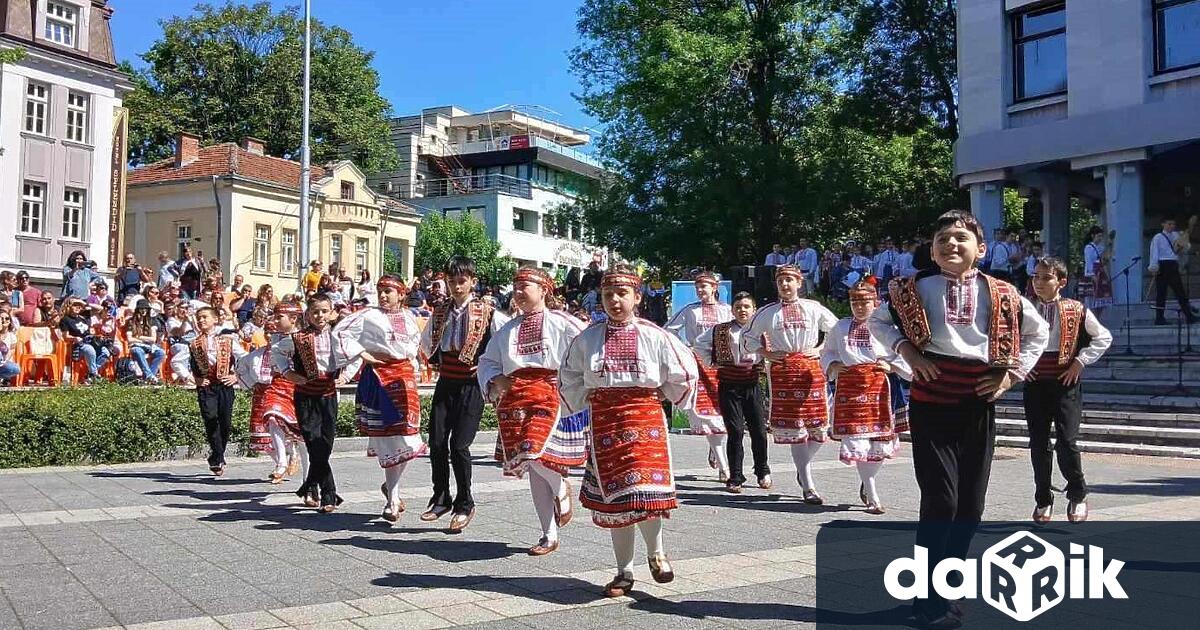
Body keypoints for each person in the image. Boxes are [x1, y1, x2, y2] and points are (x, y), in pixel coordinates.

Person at [869, 210, 1048, 628]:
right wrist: (907, 352)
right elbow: (877, 323)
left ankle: (945, 589)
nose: (952, 244)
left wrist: (1011, 374)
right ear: (932, 249)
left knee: (970, 505)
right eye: (943, 238)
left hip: (977, 405)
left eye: (962, 238)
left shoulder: (1003, 293)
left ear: (981, 250)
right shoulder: (913, 288)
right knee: (941, 501)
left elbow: (1038, 333)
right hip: (931, 405)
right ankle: (927, 602)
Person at [559, 265, 698, 598]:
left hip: (645, 418)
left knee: (648, 495)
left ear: (637, 297)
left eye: (622, 293)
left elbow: (684, 373)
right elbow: (568, 377)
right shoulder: (588, 338)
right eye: (608, 294)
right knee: (616, 501)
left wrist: (661, 393)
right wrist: (585, 397)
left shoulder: (655, 335)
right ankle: (624, 572)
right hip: (605, 420)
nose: (615, 300)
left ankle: (657, 554)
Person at [478, 267, 587, 555]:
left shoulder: (563, 322)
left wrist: (578, 385)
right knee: (534, 470)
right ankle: (548, 535)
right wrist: (494, 379)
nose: (518, 291)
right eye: (515, 287)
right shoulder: (507, 330)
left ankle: (561, 486)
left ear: (543, 290)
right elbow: (488, 360)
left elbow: (587, 349)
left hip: (549, 393)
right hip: (514, 398)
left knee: (532, 450)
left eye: (525, 285)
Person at [418, 255, 510, 532]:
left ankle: (465, 503)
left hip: (471, 384)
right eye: (452, 281)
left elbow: (505, 341)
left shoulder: (487, 311)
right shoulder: (440, 311)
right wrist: (432, 357)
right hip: (446, 381)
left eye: (461, 282)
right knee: (436, 441)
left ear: (472, 282)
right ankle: (440, 497)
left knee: (459, 445)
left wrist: (489, 368)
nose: (456, 287)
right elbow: (426, 343)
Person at [1026, 257, 1112, 524]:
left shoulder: (1076, 309)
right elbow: (1009, 340)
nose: (1039, 282)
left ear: (1061, 282)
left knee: (1067, 441)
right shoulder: (1024, 309)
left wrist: (1079, 361)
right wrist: (1020, 364)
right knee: (1039, 443)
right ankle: (1043, 497)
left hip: (1065, 384)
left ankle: (1077, 492)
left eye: (1046, 277)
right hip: (1036, 383)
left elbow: (1103, 337)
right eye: (1036, 276)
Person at [742, 265, 838, 504]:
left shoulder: (813, 308)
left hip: (811, 369)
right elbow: (747, 338)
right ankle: (808, 484)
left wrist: (820, 349)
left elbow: (837, 330)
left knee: (818, 428)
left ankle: (801, 468)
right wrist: (766, 352)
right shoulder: (767, 312)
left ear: (799, 283)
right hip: (783, 371)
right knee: (797, 430)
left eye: (789, 280)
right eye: (781, 280)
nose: (785, 284)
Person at [821, 276, 911, 514]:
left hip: (881, 387)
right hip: (851, 388)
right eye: (855, 302)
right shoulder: (840, 327)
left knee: (879, 441)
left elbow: (906, 349)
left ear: (876, 302)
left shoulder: (887, 327)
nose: (859, 307)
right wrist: (832, 365)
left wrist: (892, 365)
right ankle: (872, 493)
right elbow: (828, 351)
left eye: (865, 302)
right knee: (858, 440)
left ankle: (867, 479)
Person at [340, 275, 427, 523]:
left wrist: (416, 373)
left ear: (401, 294)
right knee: (390, 439)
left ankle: (392, 489)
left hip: (404, 379)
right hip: (379, 377)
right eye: (381, 290)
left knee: (410, 440)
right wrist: (363, 355)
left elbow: (414, 351)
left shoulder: (411, 319)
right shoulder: (368, 315)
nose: (383, 295)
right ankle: (392, 499)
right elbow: (341, 334)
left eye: (389, 291)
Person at [274, 295, 360, 512]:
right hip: (305, 395)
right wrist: (289, 373)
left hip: (328, 394)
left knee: (325, 444)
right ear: (307, 314)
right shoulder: (299, 338)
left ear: (332, 313)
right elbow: (277, 351)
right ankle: (329, 494)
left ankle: (311, 485)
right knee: (313, 441)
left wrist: (347, 376)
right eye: (315, 312)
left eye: (324, 311)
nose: (319, 315)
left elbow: (357, 355)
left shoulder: (338, 335)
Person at [693, 291, 770, 493]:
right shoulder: (721, 330)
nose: (742, 310)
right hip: (728, 384)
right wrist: (711, 361)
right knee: (735, 431)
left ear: (754, 310)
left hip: (752, 383)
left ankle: (762, 470)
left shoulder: (762, 330)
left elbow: (775, 349)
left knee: (759, 431)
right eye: (738, 307)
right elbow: (699, 344)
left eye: (746, 307)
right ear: (733, 310)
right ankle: (735, 476)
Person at [665, 271, 732, 481]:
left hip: (723, 364)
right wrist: (684, 348)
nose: (701, 291)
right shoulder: (690, 311)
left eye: (704, 286)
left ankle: (716, 449)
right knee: (706, 413)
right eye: (698, 287)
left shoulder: (727, 311)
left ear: (715, 288)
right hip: (700, 366)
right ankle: (724, 467)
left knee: (726, 414)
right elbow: (669, 330)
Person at [237, 304, 305, 485]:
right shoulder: (262, 351)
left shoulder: (301, 337)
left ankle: (306, 476)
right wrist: (249, 382)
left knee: (297, 431)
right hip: (272, 388)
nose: (268, 334)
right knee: (271, 420)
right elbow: (242, 365)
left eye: (277, 320)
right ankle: (281, 462)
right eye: (266, 330)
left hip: (297, 386)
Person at [190, 307, 247, 475]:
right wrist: (194, 378)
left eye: (205, 317)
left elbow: (245, 357)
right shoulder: (194, 343)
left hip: (224, 384)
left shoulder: (227, 339)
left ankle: (217, 455)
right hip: (207, 386)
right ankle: (218, 457)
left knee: (225, 421)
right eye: (199, 318)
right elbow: (177, 362)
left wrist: (236, 376)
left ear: (215, 319)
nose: (201, 320)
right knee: (210, 417)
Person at [1148, 218, 1198, 325]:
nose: (1171, 226)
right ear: (1163, 224)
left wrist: (1184, 238)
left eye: (1173, 224)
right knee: (1161, 293)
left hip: (1173, 265)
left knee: (1180, 292)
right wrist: (1154, 267)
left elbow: (1185, 248)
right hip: (1162, 265)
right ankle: (1159, 318)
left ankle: (1189, 316)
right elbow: (1154, 252)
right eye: (1169, 224)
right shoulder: (1158, 237)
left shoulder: (1176, 235)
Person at [60, 298, 112, 383]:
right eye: (75, 305)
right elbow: (65, 336)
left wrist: (83, 303)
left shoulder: (83, 316)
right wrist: (74, 338)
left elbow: (101, 308)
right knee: (89, 350)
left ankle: (90, 374)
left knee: (106, 351)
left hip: (90, 341)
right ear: (69, 307)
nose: (78, 307)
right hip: (78, 345)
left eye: (79, 306)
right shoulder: (65, 320)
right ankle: (94, 375)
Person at [126, 300, 166, 384]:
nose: (144, 310)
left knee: (161, 353)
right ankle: (150, 376)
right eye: (141, 308)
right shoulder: (131, 321)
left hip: (148, 346)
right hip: (136, 346)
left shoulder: (151, 321)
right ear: (137, 309)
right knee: (137, 350)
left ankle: (147, 377)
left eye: (146, 308)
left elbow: (153, 339)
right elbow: (129, 339)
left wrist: (139, 337)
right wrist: (144, 339)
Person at [0, 311, 21, 385]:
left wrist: (5, 360)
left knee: (16, 369)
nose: (4, 320)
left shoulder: (12, 336)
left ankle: (2, 378)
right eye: (1, 318)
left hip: (3, 363)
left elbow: (12, 350)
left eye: (7, 318)